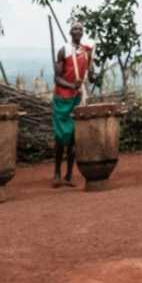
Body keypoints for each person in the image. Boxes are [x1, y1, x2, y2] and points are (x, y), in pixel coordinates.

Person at [52, 22, 95, 187]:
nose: (78, 31)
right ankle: (57, 174)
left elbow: (90, 76)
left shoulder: (86, 52)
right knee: (60, 138)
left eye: (80, 29)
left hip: (77, 98)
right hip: (62, 99)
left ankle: (68, 175)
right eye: (75, 29)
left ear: (82, 33)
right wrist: (71, 86)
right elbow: (57, 78)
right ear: (70, 32)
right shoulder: (63, 50)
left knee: (73, 139)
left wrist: (93, 77)